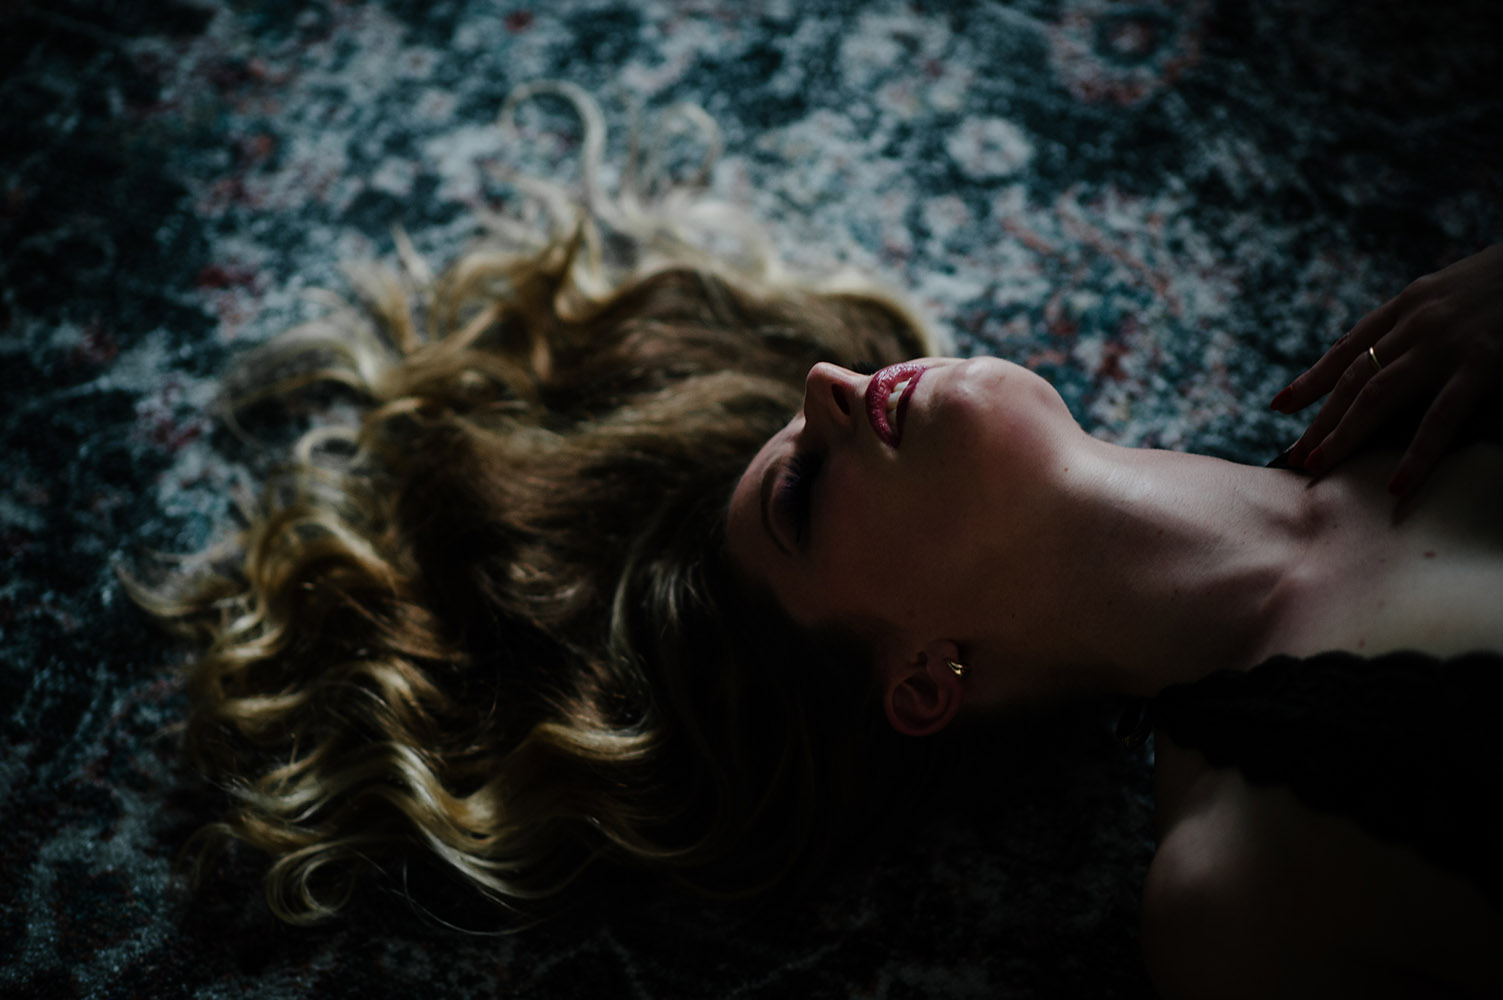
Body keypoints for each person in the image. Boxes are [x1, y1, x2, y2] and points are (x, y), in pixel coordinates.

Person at [140, 88, 1502, 993]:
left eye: (803, 421)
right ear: (921, 679)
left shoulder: (1424, 358)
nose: (829, 390)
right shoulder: (1244, 892)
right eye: (800, 498)